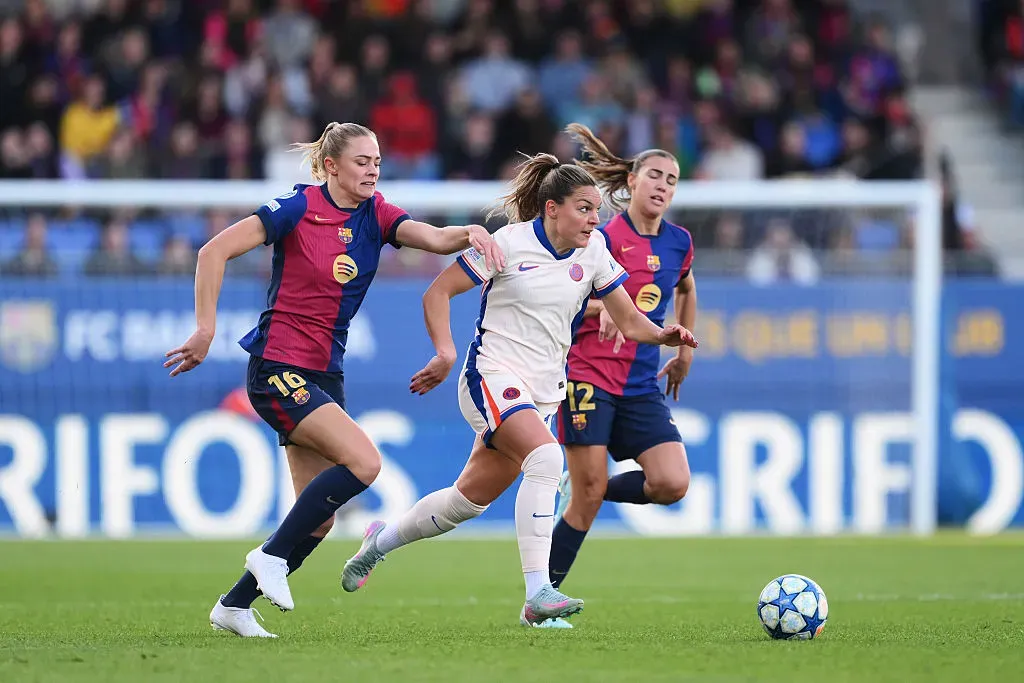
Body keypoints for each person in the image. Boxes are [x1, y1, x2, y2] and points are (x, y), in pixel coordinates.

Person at [163, 121, 504, 638]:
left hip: (325, 370)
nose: (373, 170)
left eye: (377, 162)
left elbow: (431, 238)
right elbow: (213, 252)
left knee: (319, 520)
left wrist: (470, 233)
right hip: (278, 365)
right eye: (363, 162)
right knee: (365, 462)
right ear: (331, 166)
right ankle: (269, 556)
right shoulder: (297, 208)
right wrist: (205, 329)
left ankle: (233, 606)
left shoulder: (377, 212)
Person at [339, 152, 698, 628]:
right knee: (548, 458)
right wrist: (445, 353)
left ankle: (377, 543)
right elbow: (437, 292)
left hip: (543, 390)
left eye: (596, 210)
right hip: (491, 374)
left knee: (464, 502)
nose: (595, 220)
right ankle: (538, 595)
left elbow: (629, 320)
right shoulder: (506, 244)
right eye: (584, 209)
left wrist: (663, 334)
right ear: (552, 208)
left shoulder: (594, 253)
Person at [548, 124, 697, 593]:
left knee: (672, 483)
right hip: (588, 375)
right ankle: (541, 596)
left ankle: (584, 486)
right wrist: (604, 306)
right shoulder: (600, 237)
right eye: (654, 175)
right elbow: (560, 292)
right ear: (632, 180)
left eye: (671, 180)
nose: (662, 186)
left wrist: (685, 354)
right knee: (586, 501)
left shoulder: (679, 242)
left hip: (639, 383)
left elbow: (687, 287)